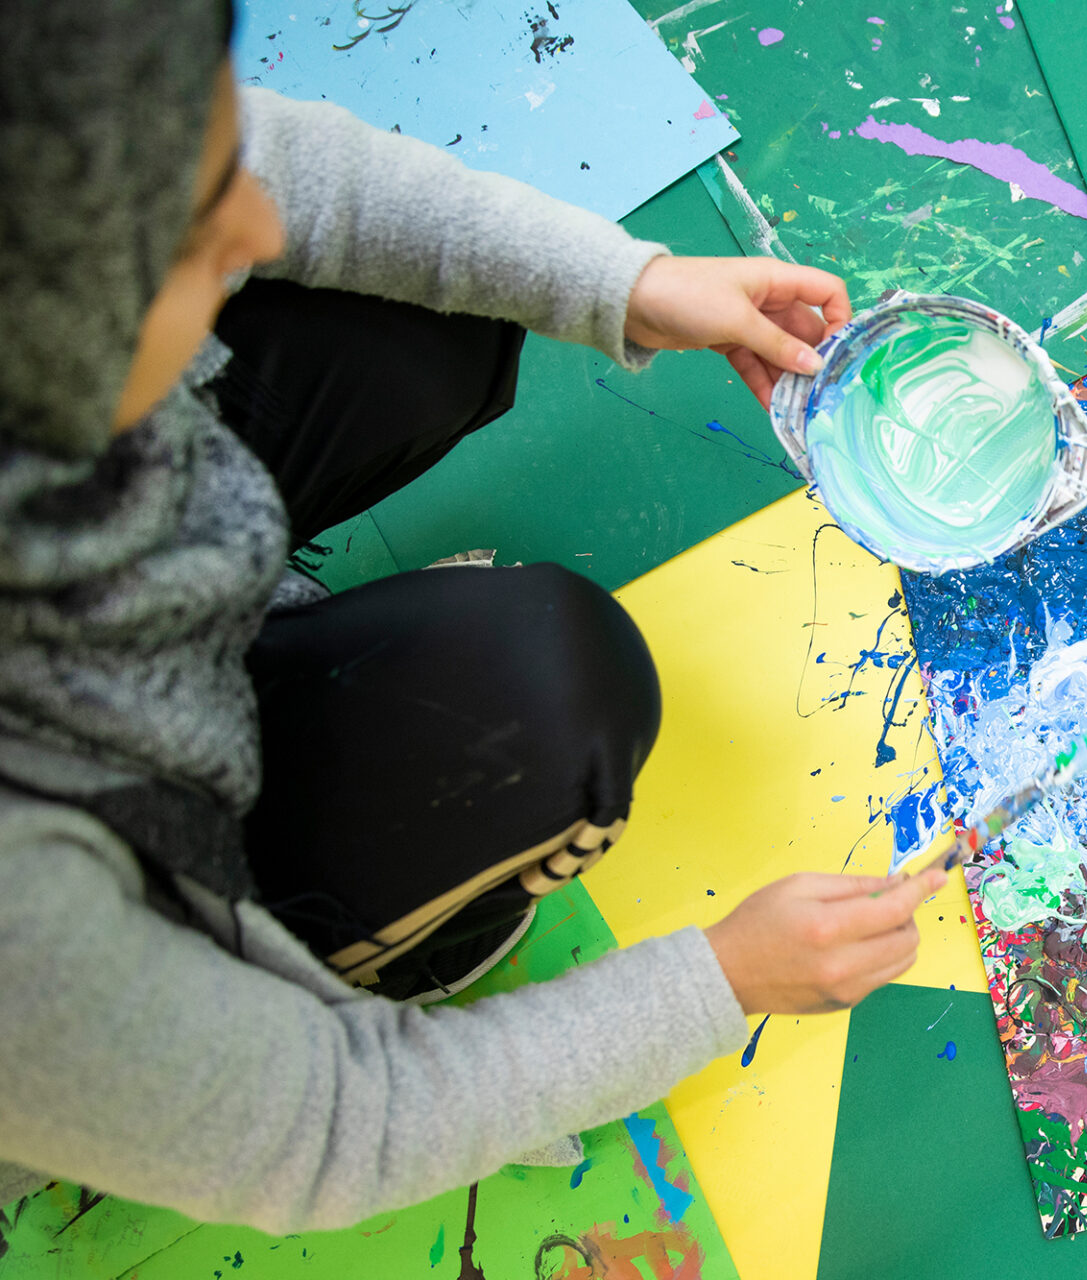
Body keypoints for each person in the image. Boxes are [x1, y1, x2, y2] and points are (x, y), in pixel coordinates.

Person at [0, 0, 946, 1231]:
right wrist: (724, 980)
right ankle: (360, 934)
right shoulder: (31, 911)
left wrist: (628, 281)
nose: (254, 221)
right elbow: (333, 1130)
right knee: (554, 692)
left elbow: (274, 166)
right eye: (187, 243)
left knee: (419, 299)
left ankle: (245, 616)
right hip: (88, 950)